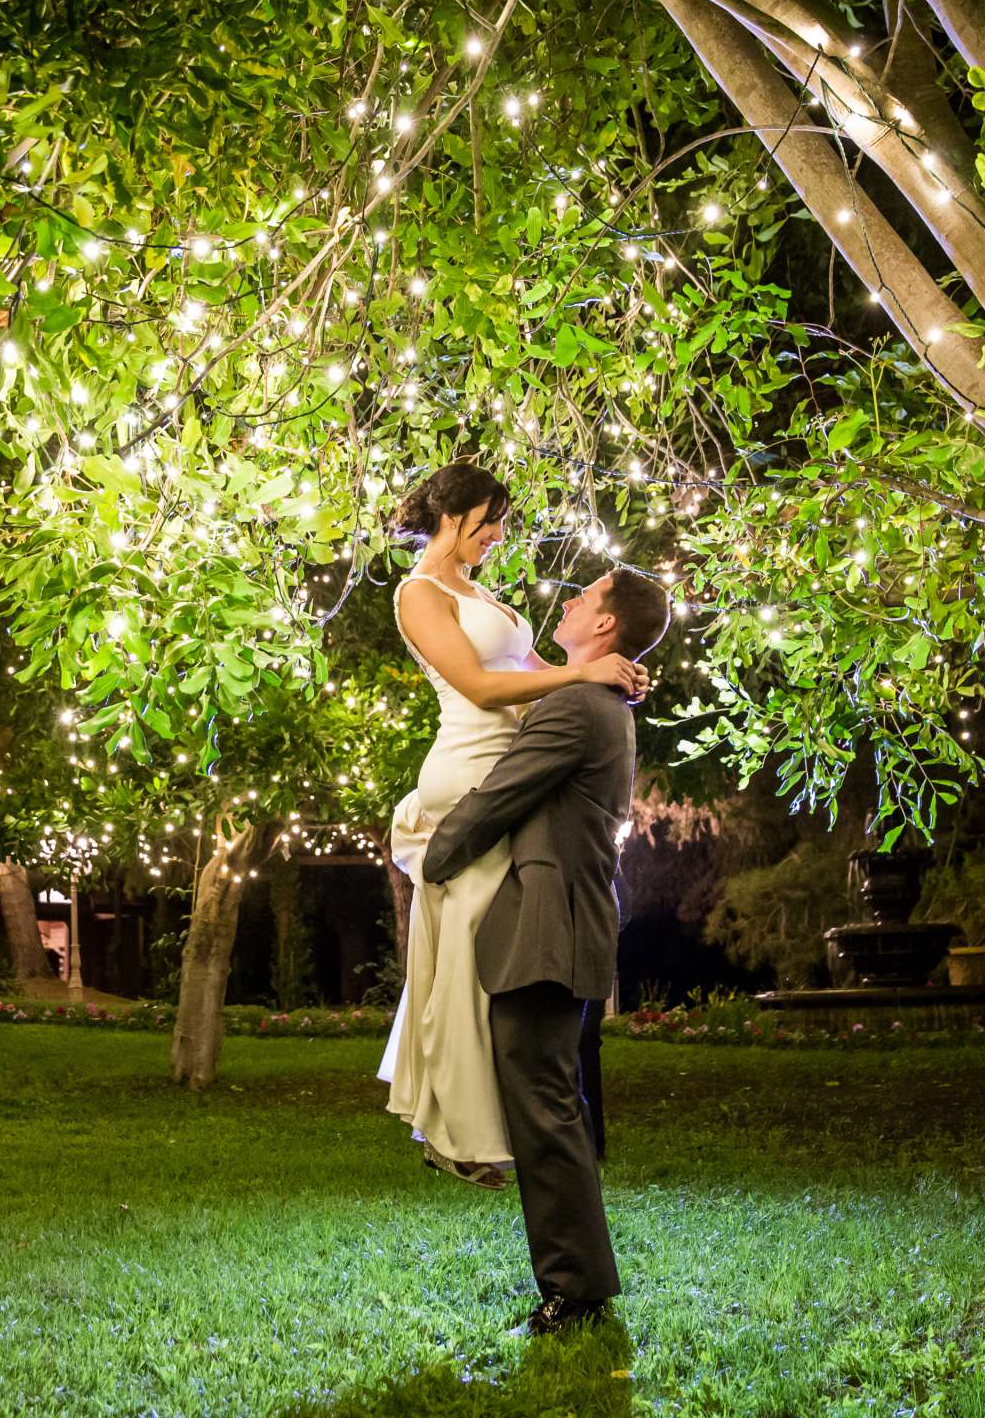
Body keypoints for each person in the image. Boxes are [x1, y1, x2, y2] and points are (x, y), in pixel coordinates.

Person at [376, 464, 649, 1192]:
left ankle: (475, 1125)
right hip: (467, 772)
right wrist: (579, 679)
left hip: (511, 771)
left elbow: (537, 676)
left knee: (482, 957)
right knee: (467, 955)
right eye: (489, 521)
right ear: (455, 514)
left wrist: (607, 672)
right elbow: (483, 687)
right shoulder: (419, 594)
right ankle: (460, 1133)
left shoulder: (475, 591)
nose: (498, 536)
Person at [420, 564, 669, 1336]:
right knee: (555, 1102)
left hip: (549, 926)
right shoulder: (595, 698)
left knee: (546, 1106)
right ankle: (580, 1283)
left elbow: (501, 794)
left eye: (585, 597)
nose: (569, 601)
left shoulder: (578, 710)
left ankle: (578, 1294)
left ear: (605, 627)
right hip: (567, 920)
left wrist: (434, 855)